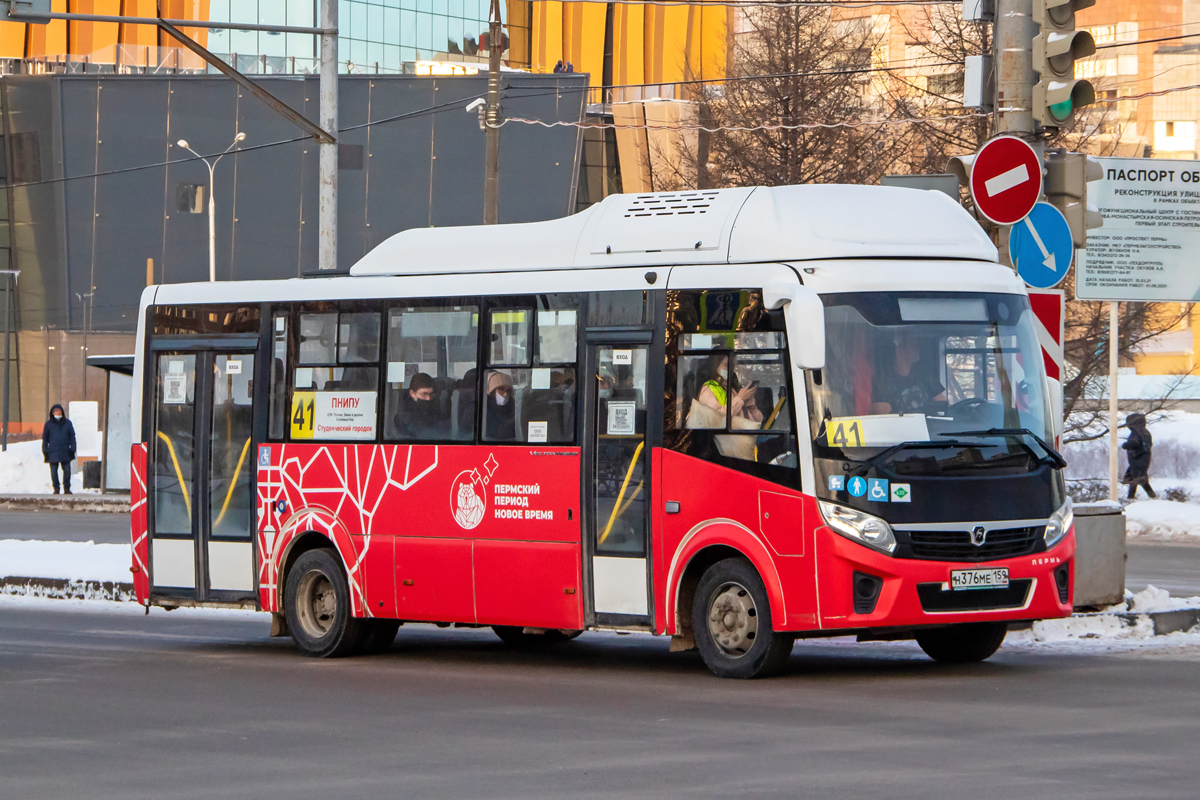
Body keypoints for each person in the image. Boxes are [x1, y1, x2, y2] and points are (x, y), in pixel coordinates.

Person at [686, 354, 762, 460]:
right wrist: (740, 399)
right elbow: (716, 420)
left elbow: (758, 423)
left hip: (746, 445)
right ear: (715, 366)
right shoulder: (709, 388)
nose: (731, 369)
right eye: (726, 365)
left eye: (733, 365)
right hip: (727, 451)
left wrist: (752, 408)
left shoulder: (734, 389)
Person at [872, 330, 945, 414]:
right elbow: (883, 414)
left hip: (928, 426)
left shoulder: (924, 375)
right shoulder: (884, 380)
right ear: (899, 348)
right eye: (914, 345)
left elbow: (944, 404)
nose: (918, 349)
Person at [394, 373, 445, 439]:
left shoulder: (437, 413)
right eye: (424, 394)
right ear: (412, 393)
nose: (428, 398)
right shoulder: (402, 418)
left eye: (431, 394)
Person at [42, 403, 76, 495]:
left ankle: (67, 488)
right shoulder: (48, 424)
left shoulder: (68, 423)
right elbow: (45, 438)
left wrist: (73, 448)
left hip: (65, 450)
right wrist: (45, 450)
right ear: (53, 413)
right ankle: (56, 488)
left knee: (67, 471)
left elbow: (72, 436)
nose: (58, 412)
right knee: (53, 471)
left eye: (60, 410)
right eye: (56, 411)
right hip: (53, 451)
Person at [1122, 412, 1156, 500]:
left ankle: (1153, 497)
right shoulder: (1145, 432)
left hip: (1137, 458)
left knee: (1140, 479)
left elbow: (1135, 443)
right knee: (1133, 479)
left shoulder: (1136, 432)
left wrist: (1126, 445)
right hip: (1143, 459)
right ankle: (1130, 497)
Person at [484, 370, 516, 441]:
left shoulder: (514, 408)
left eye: (508, 391)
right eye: (501, 389)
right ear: (491, 391)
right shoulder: (481, 409)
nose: (505, 394)